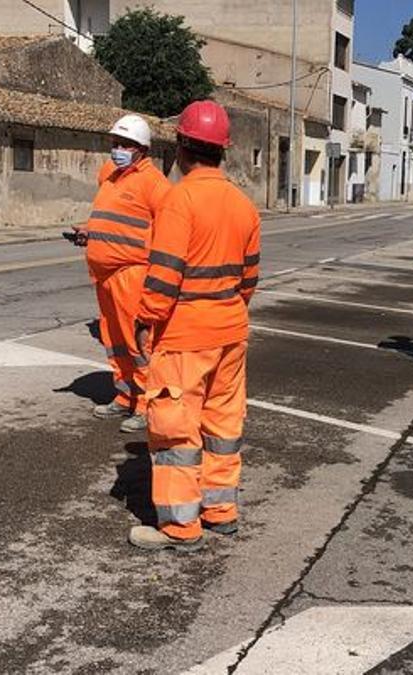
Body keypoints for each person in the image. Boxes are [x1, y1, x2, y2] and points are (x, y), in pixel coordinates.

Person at [128, 100, 260, 552]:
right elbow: (249, 279)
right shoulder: (243, 204)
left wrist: (146, 320)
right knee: (223, 426)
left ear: (182, 146)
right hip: (230, 331)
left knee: (175, 431)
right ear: (222, 150)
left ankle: (180, 527)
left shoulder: (178, 200)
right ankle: (221, 511)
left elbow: (164, 274)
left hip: (186, 337)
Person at [71, 114, 171, 434]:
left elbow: (168, 230)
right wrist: (89, 232)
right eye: (114, 143)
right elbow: (113, 220)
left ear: (142, 149)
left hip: (133, 273)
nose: (117, 149)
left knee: (138, 344)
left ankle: (146, 404)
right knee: (115, 343)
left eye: (125, 144)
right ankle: (124, 394)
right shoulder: (111, 177)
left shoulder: (154, 183)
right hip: (105, 276)